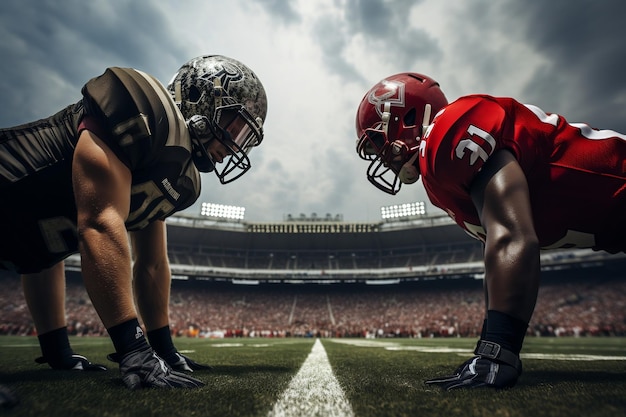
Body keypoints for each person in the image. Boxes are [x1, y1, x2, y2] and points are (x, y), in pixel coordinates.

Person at [0, 55, 268, 390]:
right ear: (200, 97)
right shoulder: (145, 107)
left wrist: (162, 349)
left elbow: (150, 264)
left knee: (46, 248)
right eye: (233, 128)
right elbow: (99, 223)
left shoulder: (178, 176)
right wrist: (133, 348)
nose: (233, 147)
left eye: (243, 138)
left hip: (20, 233)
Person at [354, 72, 626, 390]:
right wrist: (488, 344)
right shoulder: (437, 177)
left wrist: (497, 352)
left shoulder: (449, 130)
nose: (380, 157)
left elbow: (512, 236)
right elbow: (497, 252)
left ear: (408, 116)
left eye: (377, 141)